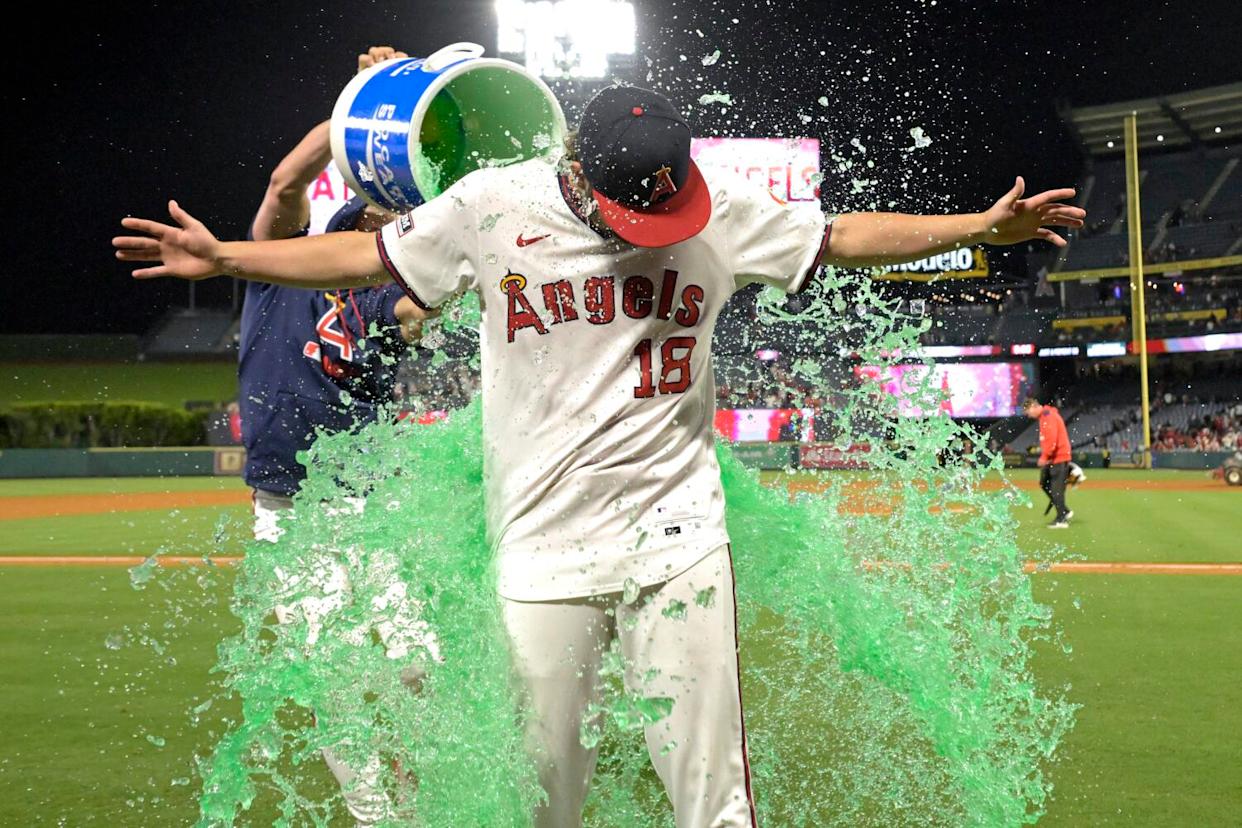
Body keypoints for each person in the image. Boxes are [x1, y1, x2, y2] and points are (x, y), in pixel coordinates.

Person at [115, 84, 1085, 827]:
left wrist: (975, 230)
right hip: (541, 556)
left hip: (681, 540)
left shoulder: (723, 211)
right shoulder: (492, 208)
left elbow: (841, 236)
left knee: (716, 800)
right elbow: (363, 259)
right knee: (547, 801)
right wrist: (231, 259)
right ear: (576, 171)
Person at [242, 45, 433, 826]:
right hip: (288, 512)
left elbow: (424, 306)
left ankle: (426, 795)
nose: (378, 233)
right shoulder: (275, 260)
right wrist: (365, 104)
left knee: (421, 663)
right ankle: (374, 813)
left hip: (368, 506)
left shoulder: (393, 300)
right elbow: (287, 181)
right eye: (374, 218)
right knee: (333, 675)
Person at [1024, 397, 1073, 528]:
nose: (1029, 416)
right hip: (1055, 457)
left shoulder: (1048, 417)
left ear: (1033, 406)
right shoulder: (1045, 416)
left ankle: (1061, 519)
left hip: (1058, 457)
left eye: (1028, 412)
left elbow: (1052, 439)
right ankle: (1064, 510)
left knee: (1056, 489)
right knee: (1045, 483)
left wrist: (1045, 457)